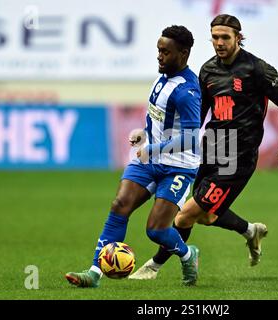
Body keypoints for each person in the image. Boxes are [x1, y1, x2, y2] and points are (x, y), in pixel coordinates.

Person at [129, 14, 278, 280]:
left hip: (238, 156)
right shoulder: (207, 70)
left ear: (239, 38)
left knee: (185, 216)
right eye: (215, 37)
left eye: (225, 37)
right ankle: (250, 231)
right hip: (212, 147)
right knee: (205, 217)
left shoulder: (258, 70)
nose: (219, 42)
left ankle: (154, 266)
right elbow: (199, 114)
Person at [65, 25, 202, 287]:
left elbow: (191, 137)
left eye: (166, 52)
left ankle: (187, 254)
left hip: (178, 167)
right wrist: (144, 133)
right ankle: (95, 273)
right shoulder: (161, 77)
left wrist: (153, 149)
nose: (159, 56)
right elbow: (157, 118)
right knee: (120, 205)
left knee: (156, 230)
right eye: (158, 50)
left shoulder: (187, 92)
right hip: (149, 160)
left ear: (183, 54)